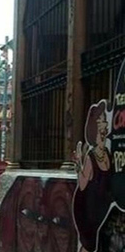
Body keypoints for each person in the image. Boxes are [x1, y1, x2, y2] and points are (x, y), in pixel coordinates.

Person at [73, 100, 113, 252]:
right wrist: (78, 165)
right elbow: (83, 185)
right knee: (89, 246)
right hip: (88, 210)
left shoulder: (108, 154)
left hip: (102, 210)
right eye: (103, 120)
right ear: (96, 128)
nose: (106, 123)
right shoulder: (91, 157)